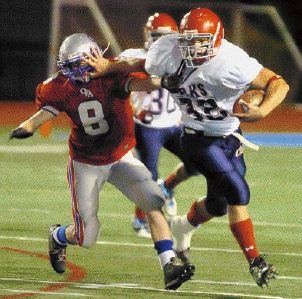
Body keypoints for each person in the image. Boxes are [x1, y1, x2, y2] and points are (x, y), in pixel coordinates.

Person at [9, 33, 195, 290]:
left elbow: (143, 84)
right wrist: (28, 126)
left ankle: (169, 265)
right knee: (87, 236)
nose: (77, 71)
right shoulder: (58, 87)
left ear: (96, 55)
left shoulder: (112, 72)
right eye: (71, 67)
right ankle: (59, 235)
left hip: (120, 156)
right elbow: (48, 110)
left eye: (81, 64)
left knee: (153, 201)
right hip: (86, 162)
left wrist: (164, 81)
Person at [145, 8, 289, 287]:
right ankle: (255, 261)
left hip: (229, 134)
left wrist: (264, 109)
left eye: (200, 40)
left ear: (216, 38)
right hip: (197, 138)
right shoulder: (169, 52)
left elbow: (277, 83)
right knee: (238, 191)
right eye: (188, 40)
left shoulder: (232, 60)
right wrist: (110, 69)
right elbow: (137, 72)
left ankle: (182, 226)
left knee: (218, 204)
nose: (192, 47)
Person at [119, 12, 192, 238]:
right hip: (147, 127)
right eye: (156, 35)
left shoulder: (183, 58)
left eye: (164, 36)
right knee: (147, 176)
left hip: (174, 125)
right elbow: (115, 81)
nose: (160, 40)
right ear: (148, 35)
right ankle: (140, 220)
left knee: (198, 161)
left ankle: (168, 186)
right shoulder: (134, 57)